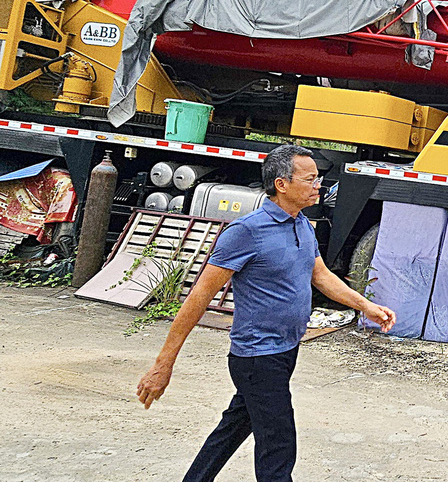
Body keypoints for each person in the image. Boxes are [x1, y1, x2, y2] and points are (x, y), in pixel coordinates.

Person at [136, 143, 396, 482]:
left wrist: (367, 306)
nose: (318, 185)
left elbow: (320, 275)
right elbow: (198, 298)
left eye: (318, 178)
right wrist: (163, 364)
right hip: (257, 356)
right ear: (282, 184)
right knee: (278, 445)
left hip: (286, 349)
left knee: (235, 425)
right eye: (310, 179)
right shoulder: (245, 232)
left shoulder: (302, 224)